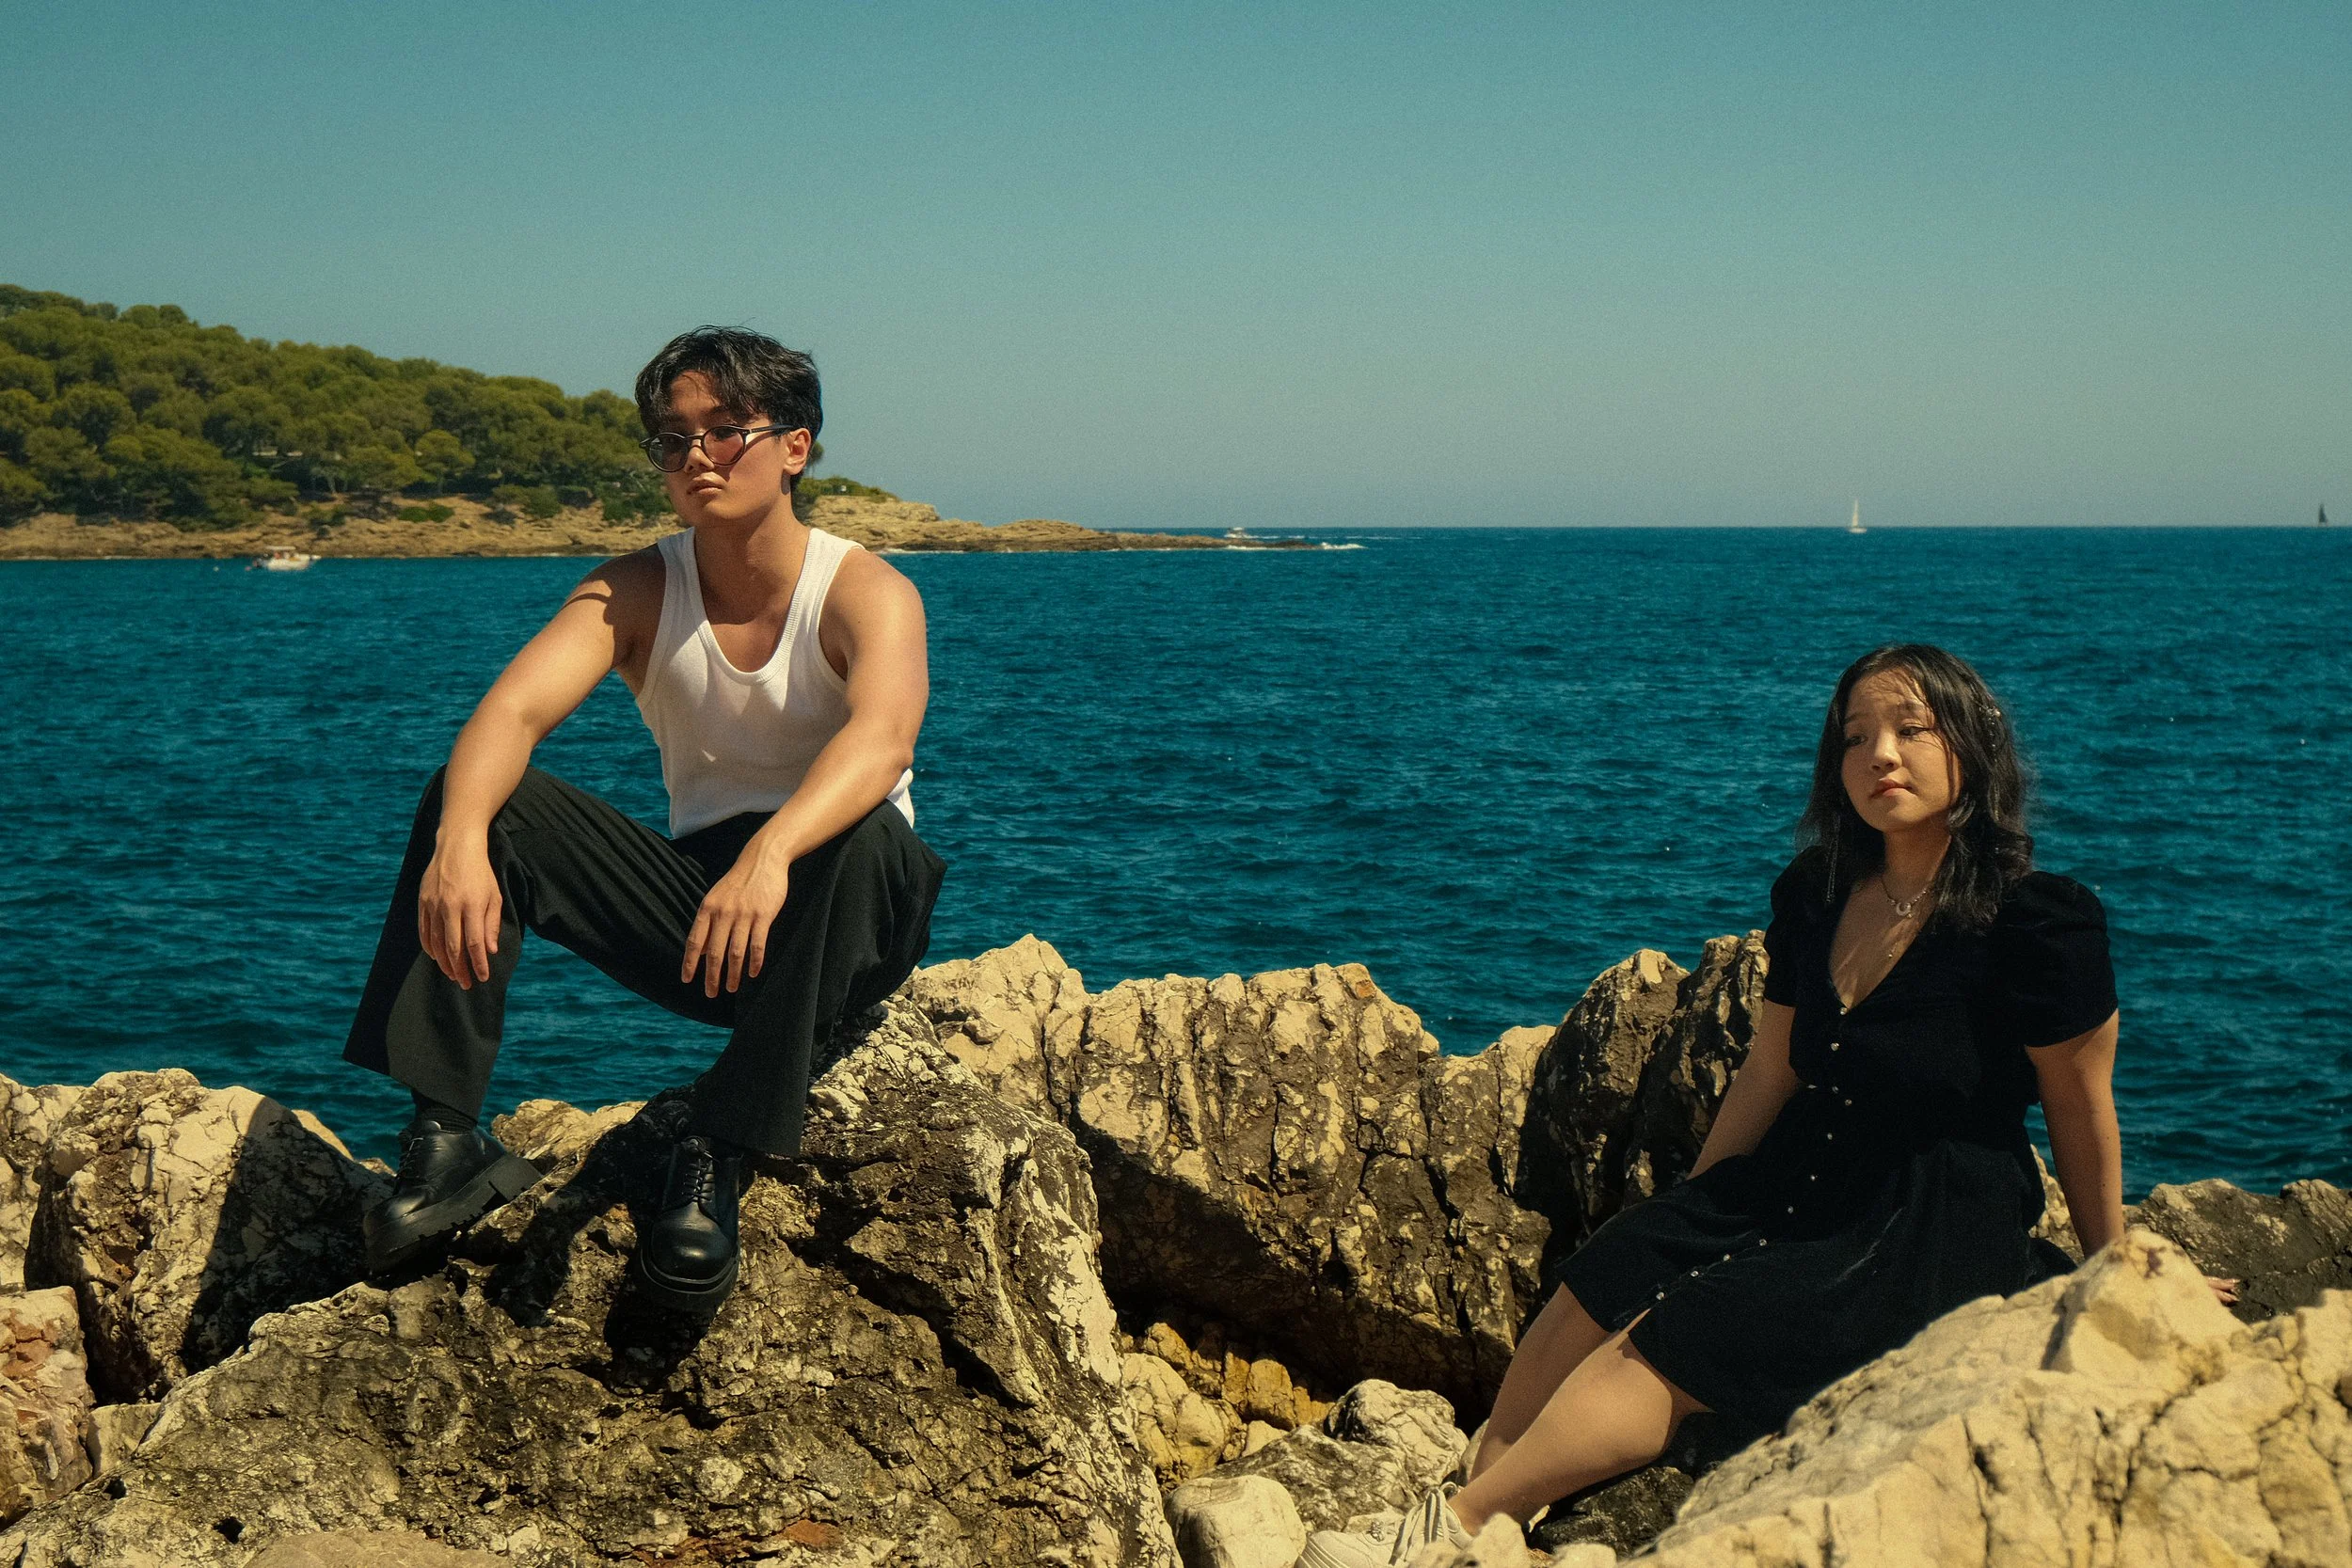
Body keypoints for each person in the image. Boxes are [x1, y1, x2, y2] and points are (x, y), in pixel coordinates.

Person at [1301, 642, 2236, 1566]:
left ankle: (1451, 1530)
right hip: (1799, 1170)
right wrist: (1694, 1209)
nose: (1881, 754)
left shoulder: (2036, 919)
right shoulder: (1819, 892)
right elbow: (1770, 1069)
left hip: (1929, 1212)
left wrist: (2115, 1263)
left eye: (1911, 728)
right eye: (1856, 736)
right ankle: (1491, 1498)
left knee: (1685, 1335)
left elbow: (2079, 1105)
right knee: (1608, 1271)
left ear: (1969, 745)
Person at [342, 326, 946, 1311]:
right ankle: (447, 1134)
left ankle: (718, 1146)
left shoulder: (866, 589)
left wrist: (772, 852)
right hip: (705, 919)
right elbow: (511, 712)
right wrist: (458, 848)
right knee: (483, 799)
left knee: (871, 832)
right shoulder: (636, 587)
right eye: (673, 438)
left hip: (846, 905)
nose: (697, 456)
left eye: (725, 430)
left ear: (795, 444)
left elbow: (880, 742)